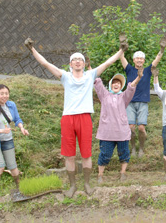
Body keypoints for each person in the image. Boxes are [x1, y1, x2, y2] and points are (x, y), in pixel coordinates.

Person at [24, 37, 125, 198]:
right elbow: (45, 64)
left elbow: (107, 63)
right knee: (69, 155)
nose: (78, 62)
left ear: (84, 64)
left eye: (80, 59)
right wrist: (32, 50)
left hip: (85, 118)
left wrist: (121, 51)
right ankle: (72, 186)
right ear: (70, 64)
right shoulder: (65, 76)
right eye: (74, 60)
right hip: (68, 118)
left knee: (86, 154)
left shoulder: (90, 75)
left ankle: (86, 184)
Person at [120, 36, 166, 158]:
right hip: (129, 102)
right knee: (131, 128)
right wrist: (122, 46)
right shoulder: (129, 69)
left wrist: (161, 50)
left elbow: (156, 60)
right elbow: (121, 58)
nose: (139, 60)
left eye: (141, 58)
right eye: (137, 58)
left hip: (143, 102)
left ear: (144, 60)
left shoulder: (147, 70)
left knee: (141, 128)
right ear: (134, 60)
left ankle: (141, 148)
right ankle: (133, 148)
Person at [94, 68, 143, 184]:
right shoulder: (104, 95)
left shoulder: (124, 97)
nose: (116, 84)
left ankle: (123, 172)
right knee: (105, 154)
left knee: (124, 153)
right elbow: (97, 81)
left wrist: (139, 77)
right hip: (107, 132)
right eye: (114, 82)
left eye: (119, 83)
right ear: (111, 84)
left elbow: (131, 88)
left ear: (121, 86)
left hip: (122, 132)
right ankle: (100, 174)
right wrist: (91, 69)